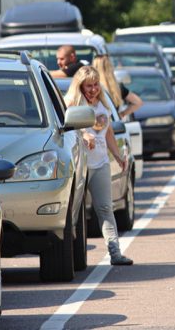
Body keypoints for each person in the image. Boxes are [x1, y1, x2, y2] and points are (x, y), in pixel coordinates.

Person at [65, 66, 133, 266]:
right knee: (74, 211)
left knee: (105, 208)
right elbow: (66, 130)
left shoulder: (102, 103)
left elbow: (108, 133)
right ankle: (71, 256)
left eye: (96, 85)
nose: (93, 89)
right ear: (80, 86)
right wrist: (83, 133)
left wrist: (118, 156)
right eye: (89, 85)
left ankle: (115, 252)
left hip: (100, 162)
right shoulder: (71, 103)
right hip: (79, 164)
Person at [92, 55, 143, 120]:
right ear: (110, 67)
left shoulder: (92, 88)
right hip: (114, 124)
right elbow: (138, 102)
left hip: (96, 125)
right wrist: (122, 114)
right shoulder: (117, 87)